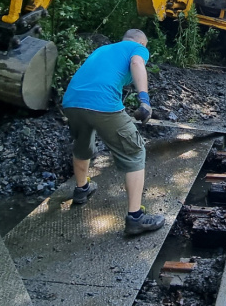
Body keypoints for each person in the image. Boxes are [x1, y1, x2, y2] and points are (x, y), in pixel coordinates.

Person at [62, 29, 165, 236]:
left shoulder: (103, 50)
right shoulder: (137, 48)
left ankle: (82, 189)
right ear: (141, 43)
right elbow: (137, 63)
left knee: (82, 144)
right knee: (135, 152)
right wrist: (144, 100)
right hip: (102, 104)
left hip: (71, 102)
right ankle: (135, 218)